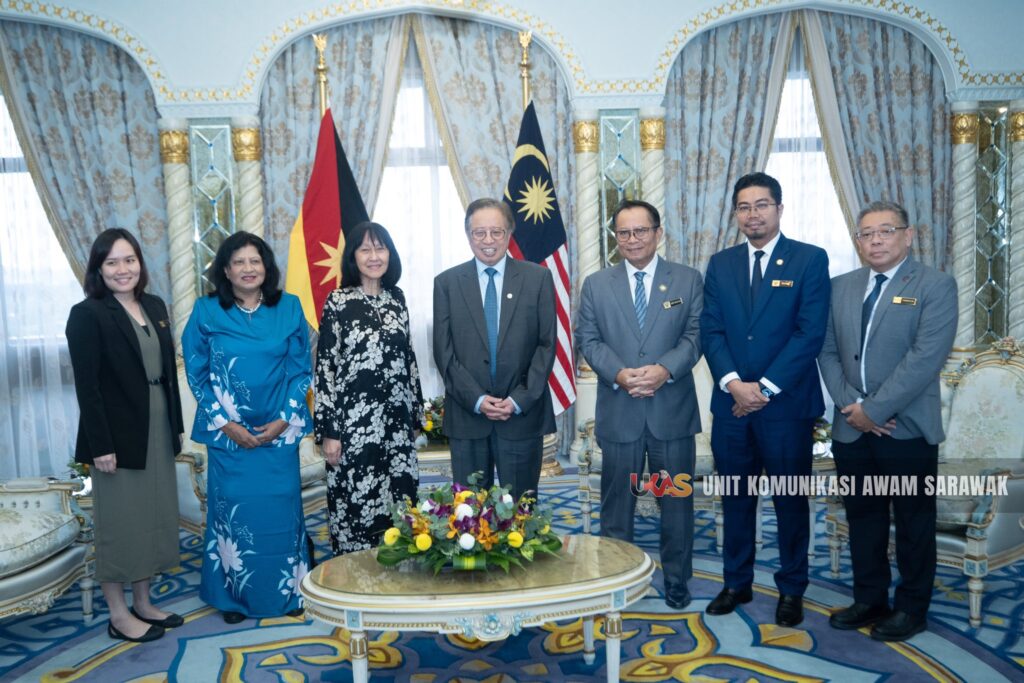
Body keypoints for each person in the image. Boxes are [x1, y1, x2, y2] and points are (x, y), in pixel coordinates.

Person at [819, 200, 957, 641]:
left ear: (908, 235)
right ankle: (869, 598)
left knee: (914, 522)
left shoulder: (935, 285)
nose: (875, 240)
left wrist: (874, 410)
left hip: (906, 428)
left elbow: (925, 358)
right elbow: (825, 350)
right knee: (864, 518)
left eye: (886, 231)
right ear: (857, 241)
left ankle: (912, 608)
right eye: (866, 234)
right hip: (851, 427)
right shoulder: (840, 287)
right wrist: (852, 407)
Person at [700, 172, 830, 627]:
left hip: (787, 408)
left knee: (790, 502)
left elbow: (809, 333)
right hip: (731, 406)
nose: (752, 214)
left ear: (779, 208)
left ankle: (792, 588)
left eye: (761, 205)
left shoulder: (809, 260)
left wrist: (765, 389)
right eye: (744, 207)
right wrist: (735, 384)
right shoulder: (720, 264)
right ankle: (736, 582)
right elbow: (711, 330)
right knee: (736, 499)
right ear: (736, 214)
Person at [576, 199, 703, 610]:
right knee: (617, 505)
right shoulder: (597, 284)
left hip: (671, 412)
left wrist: (664, 370)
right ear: (616, 237)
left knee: (676, 503)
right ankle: (618, 580)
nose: (632, 240)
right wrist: (620, 374)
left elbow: (696, 336)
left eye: (641, 231)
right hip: (621, 409)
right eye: (624, 233)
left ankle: (678, 580)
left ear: (658, 233)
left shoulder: (687, 280)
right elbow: (588, 338)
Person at [182, 231, 312, 624]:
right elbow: (196, 373)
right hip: (229, 440)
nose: (248, 268)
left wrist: (283, 420)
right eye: (238, 261)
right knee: (234, 520)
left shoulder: (289, 308)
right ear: (225, 270)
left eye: (255, 260)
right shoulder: (206, 311)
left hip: (279, 435)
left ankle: (290, 593)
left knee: (281, 517)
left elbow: (301, 371)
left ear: (266, 267)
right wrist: (226, 425)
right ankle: (234, 599)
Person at [66, 228, 184, 643]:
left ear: (139, 263)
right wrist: (100, 445)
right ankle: (118, 615)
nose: (122, 269)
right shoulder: (87, 314)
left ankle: (144, 603)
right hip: (116, 437)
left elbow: (168, 374)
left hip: (157, 426)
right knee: (121, 524)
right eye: (112, 262)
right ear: (98, 269)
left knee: (152, 518)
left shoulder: (154, 305)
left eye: (129, 259)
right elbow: (88, 387)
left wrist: (175, 427)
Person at [432, 198, 557, 501]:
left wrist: (517, 399)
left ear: (509, 234)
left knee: (521, 512)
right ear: (468, 235)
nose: (488, 240)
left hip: (521, 416)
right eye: (479, 233)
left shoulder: (537, 278)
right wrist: (476, 399)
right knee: (469, 513)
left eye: (496, 232)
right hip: (468, 417)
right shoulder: (447, 283)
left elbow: (546, 346)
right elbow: (444, 352)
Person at [314, 222, 423, 555]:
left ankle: (400, 569)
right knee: (358, 503)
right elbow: (325, 368)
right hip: (354, 427)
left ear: (390, 254)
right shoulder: (338, 301)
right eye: (365, 249)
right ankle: (356, 574)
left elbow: (408, 358)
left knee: (401, 500)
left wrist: (416, 414)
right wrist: (330, 431)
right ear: (353, 256)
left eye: (380, 248)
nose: (374, 256)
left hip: (397, 425)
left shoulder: (397, 298)